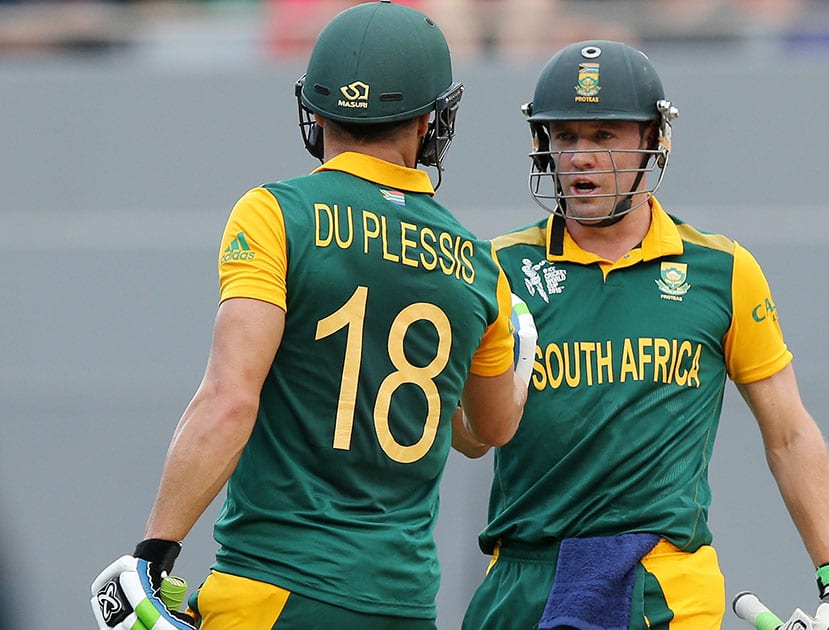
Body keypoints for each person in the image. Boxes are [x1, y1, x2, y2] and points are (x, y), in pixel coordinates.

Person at [89, 2, 534, 629]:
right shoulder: (482, 267)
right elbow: (483, 432)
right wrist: (520, 358)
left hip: (274, 586)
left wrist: (153, 554)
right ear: (431, 121)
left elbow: (229, 400)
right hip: (401, 605)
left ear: (316, 111)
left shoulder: (277, 213)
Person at [456, 40, 829, 630]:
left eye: (604, 136)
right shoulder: (496, 268)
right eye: (566, 137)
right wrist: (488, 399)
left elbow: (789, 433)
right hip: (524, 573)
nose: (580, 157)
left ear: (654, 141)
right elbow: (472, 441)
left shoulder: (723, 271)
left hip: (663, 578)